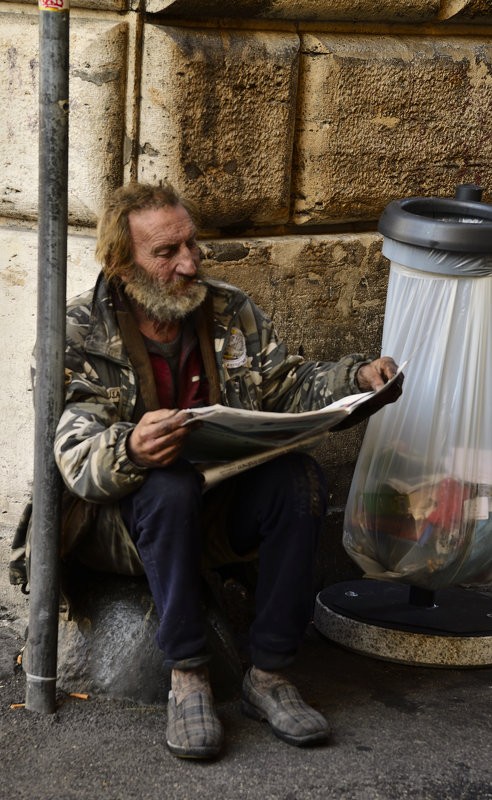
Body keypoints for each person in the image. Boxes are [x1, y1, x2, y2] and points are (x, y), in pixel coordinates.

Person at [53, 181, 402, 760]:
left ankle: (268, 675)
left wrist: (355, 381)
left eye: (191, 245)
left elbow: (286, 386)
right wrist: (132, 448)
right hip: (120, 527)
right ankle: (187, 675)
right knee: (167, 486)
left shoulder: (230, 310)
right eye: (166, 253)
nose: (189, 263)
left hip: (215, 503)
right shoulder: (78, 332)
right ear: (121, 263)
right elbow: (76, 461)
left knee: (300, 481)